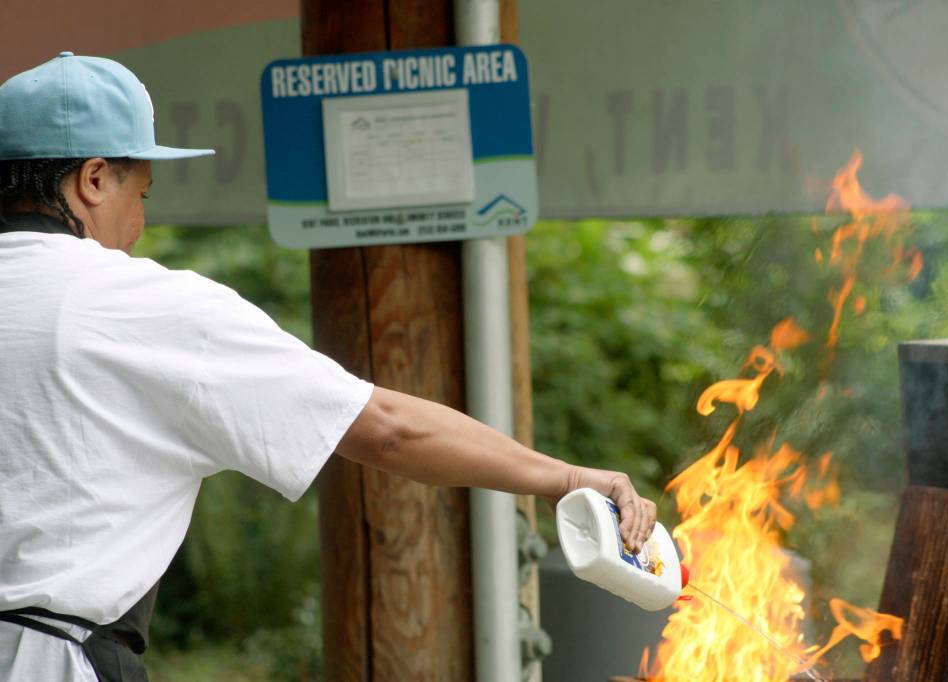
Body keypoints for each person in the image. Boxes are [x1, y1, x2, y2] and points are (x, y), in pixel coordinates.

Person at [0, 53, 659, 681]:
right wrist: (563, 477)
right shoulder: (136, 305)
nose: (141, 222)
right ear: (92, 179)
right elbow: (386, 426)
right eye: (140, 193)